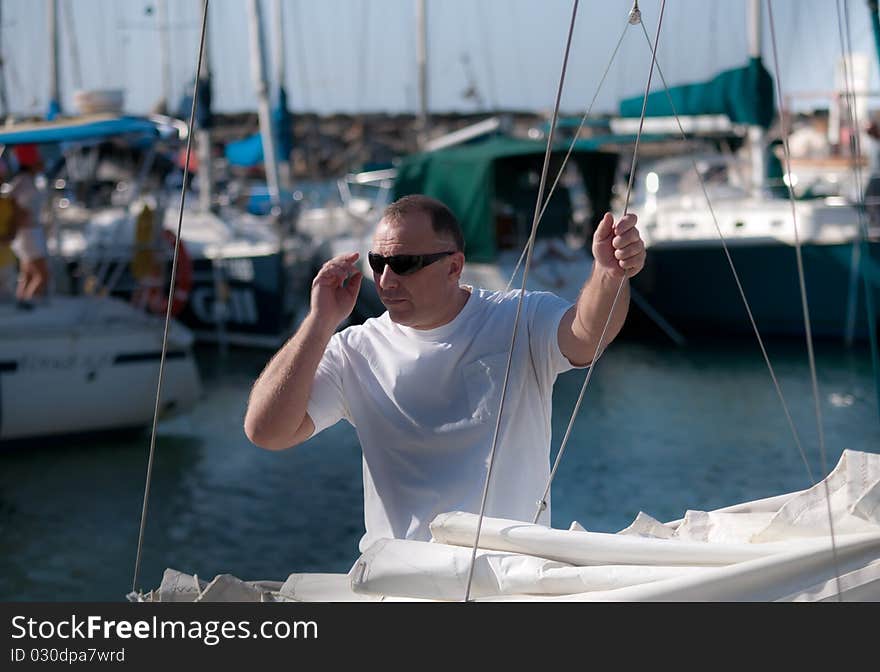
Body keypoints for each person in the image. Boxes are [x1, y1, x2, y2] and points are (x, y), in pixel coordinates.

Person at [244, 194, 646, 552]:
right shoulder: (354, 351)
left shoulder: (519, 317)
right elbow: (267, 431)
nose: (386, 279)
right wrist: (319, 322)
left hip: (511, 584)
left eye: (404, 264)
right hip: (401, 587)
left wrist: (609, 273)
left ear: (454, 266)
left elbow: (586, 336)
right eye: (378, 262)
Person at [6, 144, 50, 302]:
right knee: (42, 275)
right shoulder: (22, 181)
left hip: (31, 232)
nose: (43, 162)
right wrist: (17, 220)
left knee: (28, 274)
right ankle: (28, 304)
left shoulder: (28, 180)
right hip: (28, 233)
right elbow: (12, 202)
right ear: (31, 162)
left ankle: (22, 302)